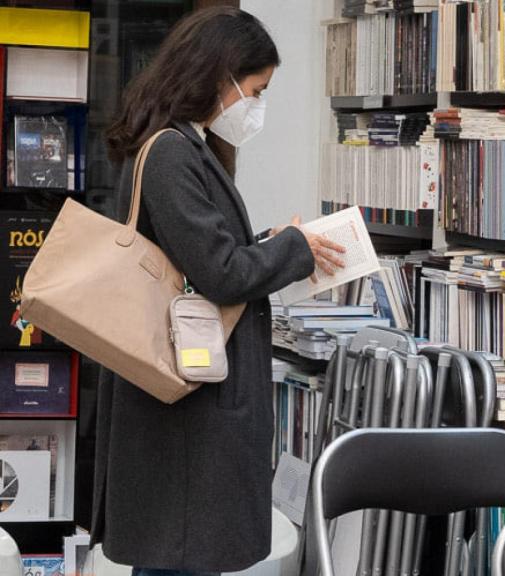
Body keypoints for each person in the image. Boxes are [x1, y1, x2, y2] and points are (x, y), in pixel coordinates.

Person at [91, 7, 345, 575]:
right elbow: (221, 273)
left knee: (177, 554)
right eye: (256, 91)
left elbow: (201, 255)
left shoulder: (187, 146)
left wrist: (270, 244)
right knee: (179, 555)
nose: (257, 106)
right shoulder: (172, 152)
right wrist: (295, 248)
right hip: (185, 409)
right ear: (219, 75)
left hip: (186, 404)